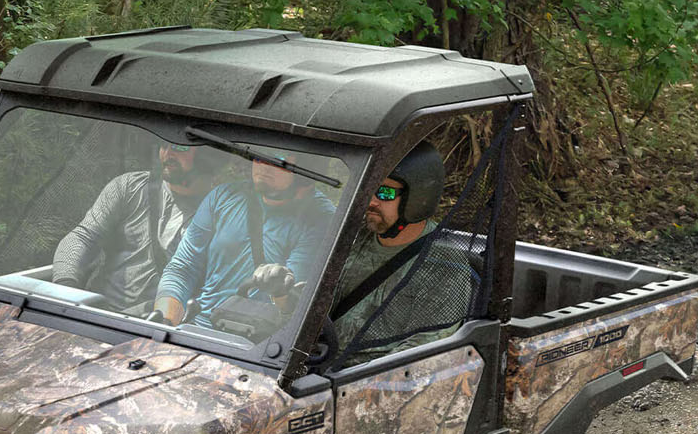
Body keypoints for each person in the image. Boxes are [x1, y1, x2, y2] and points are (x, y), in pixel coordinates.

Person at [151, 154, 337, 330]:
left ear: (307, 167)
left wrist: (280, 290)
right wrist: (165, 321)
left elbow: (294, 304)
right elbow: (183, 268)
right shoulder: (223, 197)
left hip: (261, 340)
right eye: (260, 155)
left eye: (278, 158)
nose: (263, 165)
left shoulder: (320, 218)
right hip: (199, 328)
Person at [329, 141, 476, 359]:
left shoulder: (444, 265)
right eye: (369, 189)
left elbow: (423, 349)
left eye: (385, 193)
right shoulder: (352, 237)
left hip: (371, 374)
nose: (372, 201)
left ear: (418, 199)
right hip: (318, 360)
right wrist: (286, 296)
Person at [52, 142, 215, 313]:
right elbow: (83, 237)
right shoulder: (130, 187)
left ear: (208, 156)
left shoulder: (222, 215)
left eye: (180, 147)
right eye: (164, 145)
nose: (168, 153)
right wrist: (66, 289)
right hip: (93, 312)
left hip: (158, 321)